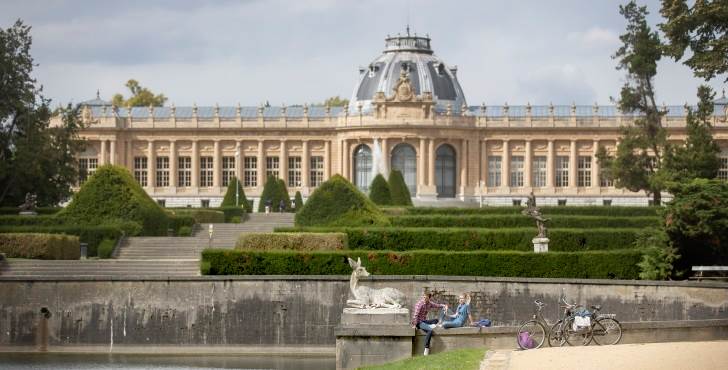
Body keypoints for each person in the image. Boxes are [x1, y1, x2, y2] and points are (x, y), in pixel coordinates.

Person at [411, 292, 447, 356]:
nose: (424, 298)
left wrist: (444, 305)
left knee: (436, 320)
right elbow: (415, 315)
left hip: (424, 321)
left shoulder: (429, 303)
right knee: (430, 330)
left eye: (426, 297)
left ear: (429, 298)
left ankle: (429, 325)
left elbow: (437, 305)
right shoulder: (420, 304)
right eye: (424, 297)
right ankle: (426, 348)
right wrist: (414, 325)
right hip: (419, 322)